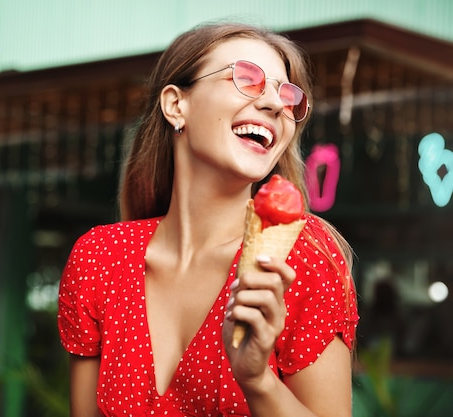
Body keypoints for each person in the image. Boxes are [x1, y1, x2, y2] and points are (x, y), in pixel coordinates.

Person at [58, 21, 359, 417]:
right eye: (246, 78)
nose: (274, 104)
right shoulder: (99, 258)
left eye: (288, 96)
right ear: (175, 105)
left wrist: (258, 381)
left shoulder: (303, 256)